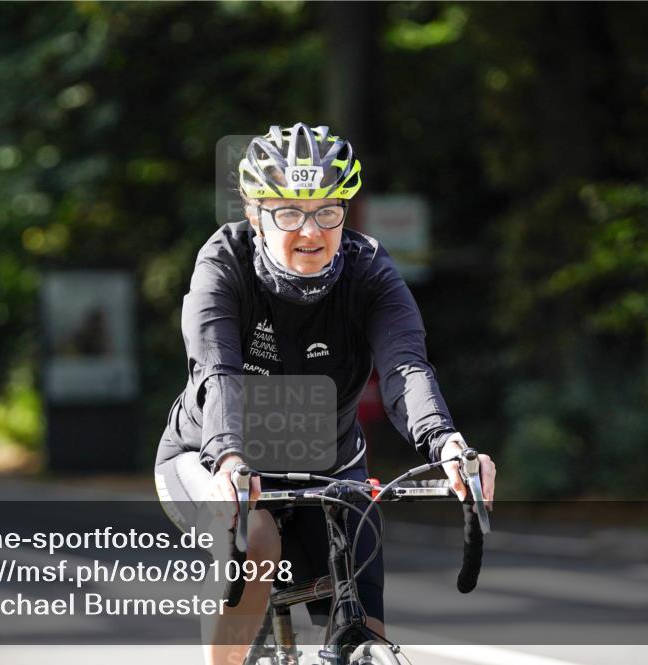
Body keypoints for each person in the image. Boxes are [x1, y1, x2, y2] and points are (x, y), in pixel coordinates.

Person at [154, 123, 497, 665]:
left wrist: (447, 443)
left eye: (327, 211)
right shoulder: (224, 263)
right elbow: (217, 371)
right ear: (255, 213)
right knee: (256, 537)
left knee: (365, 628)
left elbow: (406, 368)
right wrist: (229, 459)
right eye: (288, 212)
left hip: (329, 466)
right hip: (210, 458)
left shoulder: (370, 271)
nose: (310, 231)